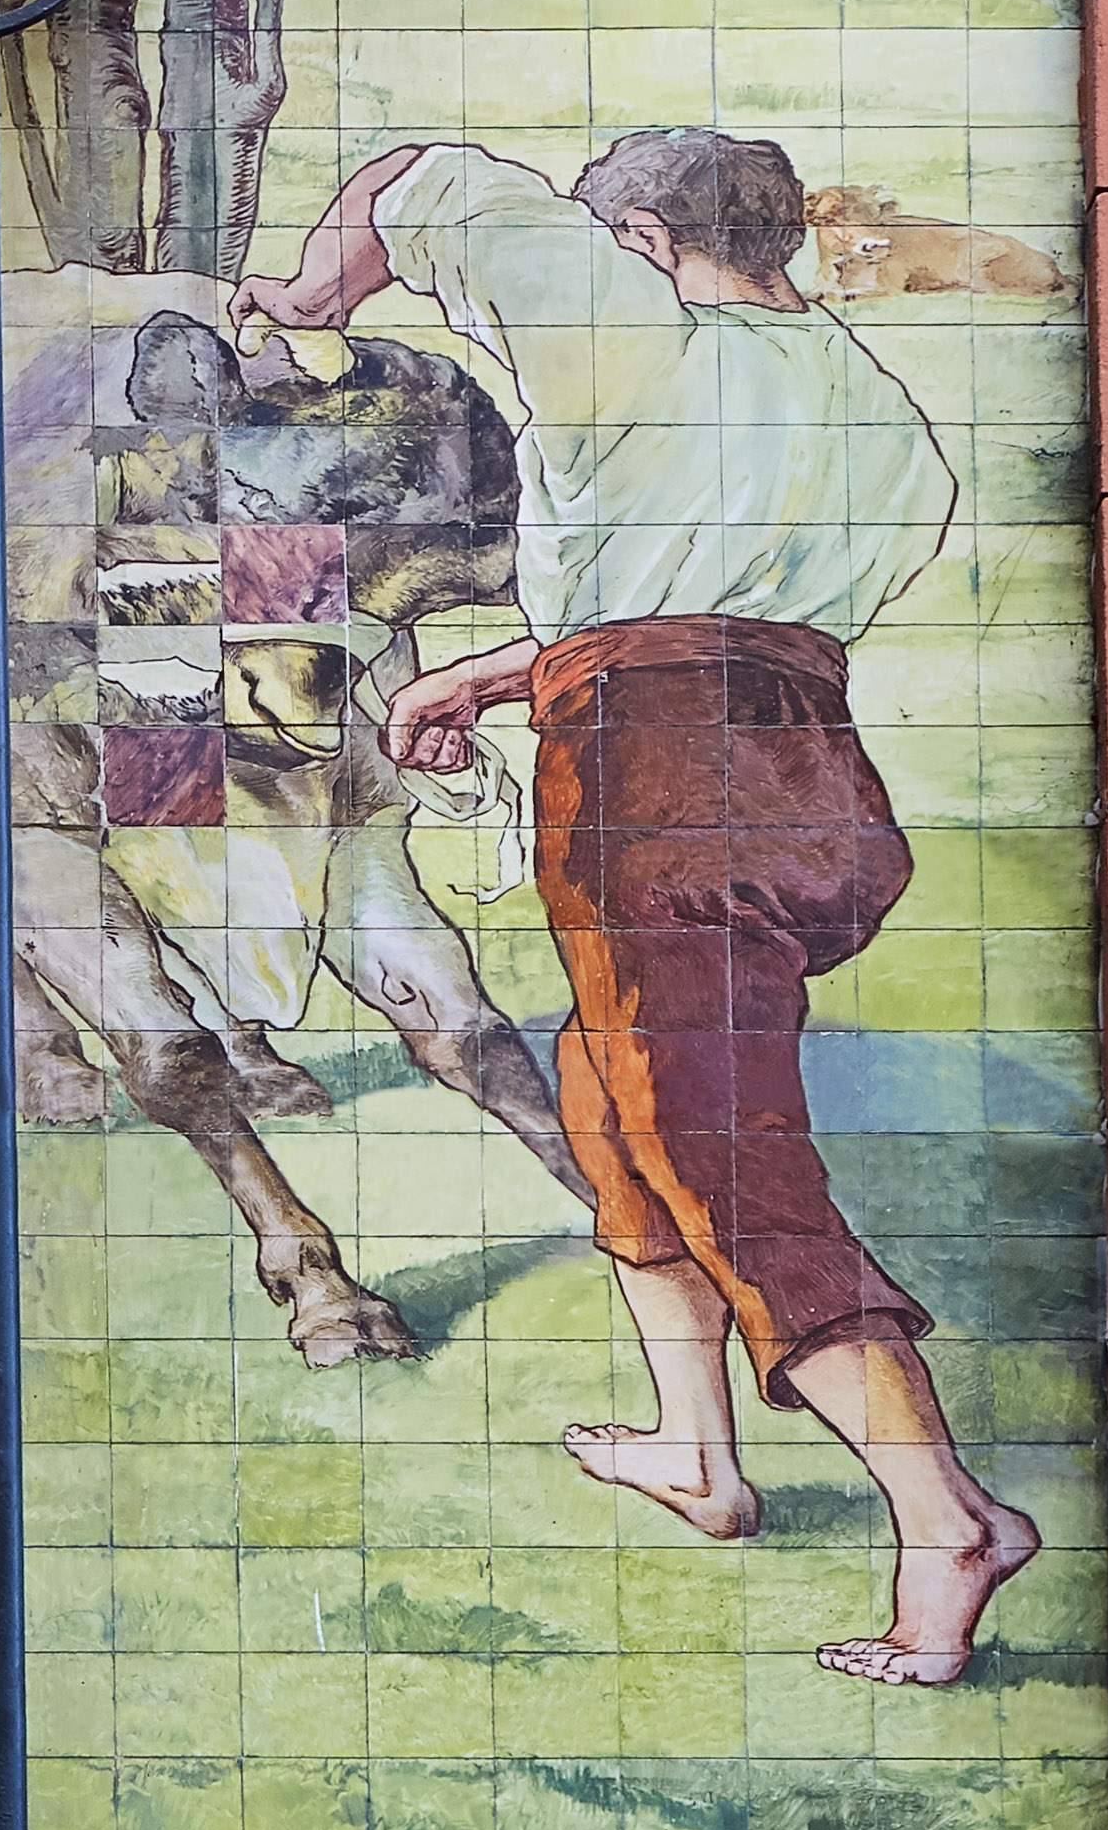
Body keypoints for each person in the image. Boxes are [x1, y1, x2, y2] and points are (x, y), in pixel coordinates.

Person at [244, 125, 1038, 1692]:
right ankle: (695, 1451)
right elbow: (725, 616)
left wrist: (300, 293)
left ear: (639, 242)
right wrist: (507, 670)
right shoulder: (871, 413)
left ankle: (944, 1515)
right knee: (618, 1112)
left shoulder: (627, 320)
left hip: (659, 798)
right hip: (804, 783)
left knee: (714, 1152)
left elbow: (418, 175)